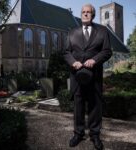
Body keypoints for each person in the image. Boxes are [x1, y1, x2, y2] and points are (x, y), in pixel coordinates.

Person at [63, 4, 112, 150]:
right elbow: (66, 52)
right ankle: (78, 134)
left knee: (95, 106)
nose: (85, 14)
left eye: (88, 12)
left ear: (93, 14)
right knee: (78, 106)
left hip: (94, 76)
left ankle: (95, 135)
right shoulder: (72, 32)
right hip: (77, 77)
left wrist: (95, 60)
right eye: (83, 12)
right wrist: (73, 62)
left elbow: (107, 51)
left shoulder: (103, 31)